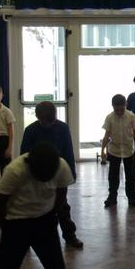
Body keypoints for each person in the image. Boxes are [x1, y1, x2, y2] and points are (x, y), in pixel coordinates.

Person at [20, 102, 83, 249]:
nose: (47, 125)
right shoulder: (30, 130)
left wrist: (71, 174)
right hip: (36, 175)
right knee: (32, 208)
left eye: (50, 121)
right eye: (44, 121)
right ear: (37, 117)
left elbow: (68, 152)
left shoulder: (62, 128)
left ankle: (69, 235)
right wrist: (27, 176)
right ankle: (28, 239)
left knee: (61, 206)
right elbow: (24, 155)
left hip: (58, 174)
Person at [100, 94, 135, 208]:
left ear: (126, 105)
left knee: (130, 176)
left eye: (121, 109)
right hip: (114, 150)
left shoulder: (131, 116)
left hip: (129, 150)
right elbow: (106, 135)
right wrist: (102, 150)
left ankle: (132, 198)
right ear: (112, 106)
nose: (119, 112)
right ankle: (112, 197)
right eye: (116, 109)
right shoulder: (109, 118)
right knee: (113, 176)